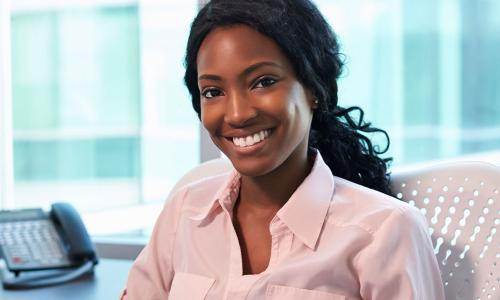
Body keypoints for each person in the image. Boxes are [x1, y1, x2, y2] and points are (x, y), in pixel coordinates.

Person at [121, 0, 445, 299]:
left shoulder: (384, 231)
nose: (236, 114)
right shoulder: (186, 210)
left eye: (263, 82)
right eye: (213, 91)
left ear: (314, 89)